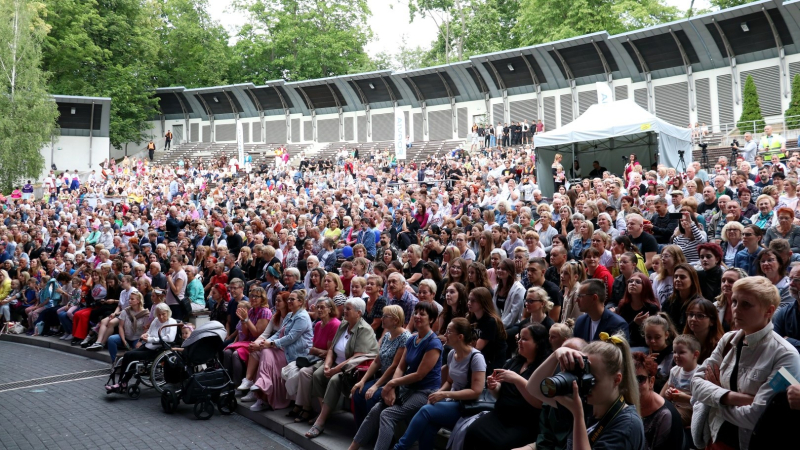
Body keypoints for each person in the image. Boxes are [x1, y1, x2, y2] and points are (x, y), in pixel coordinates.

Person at [692, 277, 800, 450]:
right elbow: (696, 383)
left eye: (746, 304)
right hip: (714, 436)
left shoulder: (785, 355)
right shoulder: (728, 340)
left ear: (769, 311)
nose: (736, 309)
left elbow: (756, 417)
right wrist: (731, 397)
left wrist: (714, 402)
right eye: (734, 302)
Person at [348, 302, 442, 450]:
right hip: (407, 388)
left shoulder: (433, 343)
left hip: (425, 391)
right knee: (376, 410)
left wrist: (392, 384)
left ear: (431, 319)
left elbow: (419, 375)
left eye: (422, 314)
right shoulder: (412, 339)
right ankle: (352, 448)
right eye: (416, 313)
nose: (417, 316)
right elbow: (400, 366)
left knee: (387, 415)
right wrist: (392, 387)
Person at [528, 332, 645, 450]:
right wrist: (555, 355)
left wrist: (578, 415)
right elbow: (535, 388)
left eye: (592, 380)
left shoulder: (627, 425)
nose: (586, 384)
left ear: (616, 380)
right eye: (584, 376)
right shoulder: (589, 403)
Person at [393, 318, 486, 450]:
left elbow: (476, 391)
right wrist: (438, 393)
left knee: (425, 411)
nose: (445, 334)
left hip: (467, 406)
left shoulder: (476, 358)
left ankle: (399, 448)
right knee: (429, 426)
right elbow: (449, 381)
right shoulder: (452, 354)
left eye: (449, 332)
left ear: (460, 337)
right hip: (452, 401)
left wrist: (444, 394)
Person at [305, 298, 380, 438]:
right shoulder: (344, 324)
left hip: (351, 369)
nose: (344, 311)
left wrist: (335, 369)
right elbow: (332, 348)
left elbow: (357, 357)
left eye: (348, 309)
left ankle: (320, 422)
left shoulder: (365, 329)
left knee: (334, 379)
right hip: (335, 362)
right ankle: (324, 413)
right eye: (344, 308)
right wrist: (327, 365)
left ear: (358, 313)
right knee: (318, 374)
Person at [239, 290, 313, 411]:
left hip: (295, 354)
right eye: (289, 299)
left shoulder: (303, 317)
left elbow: (291, 337)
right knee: (261, 351)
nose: (289, 301)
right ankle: (258, 387)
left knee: (265, 351)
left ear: (300, 302)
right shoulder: (290, 315)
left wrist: (271, 344)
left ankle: (262, 389)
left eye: (292, 299)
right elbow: (278, 333)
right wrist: (264, 343)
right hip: (284, 349)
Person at [282, 297, 340, 417]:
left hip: (328, 360)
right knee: (290, 369)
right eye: (317, 307)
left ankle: (305, 407)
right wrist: (315, 351)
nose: (319, 310)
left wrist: (315, 351)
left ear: (330, 309)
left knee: (304, 372)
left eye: (322, 307)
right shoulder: (318, 324)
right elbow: (313, 347)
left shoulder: (334, 324)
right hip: (315, 358)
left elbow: (330, 351)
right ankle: (298, 404)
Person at [106, 303, 176, 391]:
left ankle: (123, 382)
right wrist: (145, 335)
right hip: (148, 346)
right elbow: (150, 332)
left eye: (163, 314)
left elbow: (170, 338)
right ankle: (122, 382)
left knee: (131, 356)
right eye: (158, 314)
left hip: (158, 349)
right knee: (127, 355)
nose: (161, 317)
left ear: (168, 312)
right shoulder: (156, 320)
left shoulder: (171, 322)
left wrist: (151, 339)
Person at [632, 351, 684, 450]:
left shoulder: (665, 415)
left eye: (639, 379)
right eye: (629, 379)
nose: (633, 384)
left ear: (651, 382)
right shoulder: (623, 403)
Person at [223, 287, 271, 388]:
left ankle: (237, 384)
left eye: (256, 296)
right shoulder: (251, 310)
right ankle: (227, 382)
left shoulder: (265, 311)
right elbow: (245, 333)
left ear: (262, 298)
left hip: (257, 343)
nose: (253, 298)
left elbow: (256, 334)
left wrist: (246, 319)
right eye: (252, 296)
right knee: (227, 352)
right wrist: (243, 320)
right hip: (247, 341)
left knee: (236, 354)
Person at [615, 273, 660, 351]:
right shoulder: (623, 305)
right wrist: (635, 323)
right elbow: (620, 330)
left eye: (638, 282)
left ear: (645, 286)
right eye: (630, 281)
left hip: (645, 345)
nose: (632, 284)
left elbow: (655, 332)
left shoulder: (652, 308)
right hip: (626, 343)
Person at [467, 287, 508, 372]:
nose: (469, 303)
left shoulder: (491, 321)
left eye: (473, 301)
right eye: (469, 300)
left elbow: (478, 347)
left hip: (493, 362)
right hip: (480, 357)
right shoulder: (470, 318)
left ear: (483, 302)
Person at [106, 291, 149, 364]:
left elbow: (146, 330)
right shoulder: (125, 311)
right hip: (126, 337)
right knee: (111, 339)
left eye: (132, 299)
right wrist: (124, 340)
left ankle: (133, 364)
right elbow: (120, 326)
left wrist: (140, 341)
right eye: (129, 299)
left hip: (137, 338)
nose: (129, 300)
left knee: (139, 347)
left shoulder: (145, 314)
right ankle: (114, 361)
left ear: (138, 301)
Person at [493, 258, 526, 330]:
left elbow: (514, 314)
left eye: (503, 269)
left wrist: (500, 327)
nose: (499, 270)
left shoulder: (519, 289)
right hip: (500, 324)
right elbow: (495, 310)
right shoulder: (497, 287)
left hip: (515, 325)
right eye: (498, 268)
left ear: (510, 271)